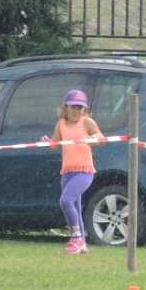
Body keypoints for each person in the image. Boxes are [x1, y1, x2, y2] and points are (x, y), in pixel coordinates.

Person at [43, 89, 103, 254]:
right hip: (67, 172)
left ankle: (75, 237)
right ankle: (82, 243)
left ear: (84, 109)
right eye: (73, 107)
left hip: (84, 172)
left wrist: (93, 138)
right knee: (74, 205)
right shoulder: (61, 123)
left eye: (80, 107)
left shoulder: (87, 123)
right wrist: (48, 142)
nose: (77, 110)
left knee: (65, 201)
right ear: (66, 108)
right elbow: (55, 145)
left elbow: (101, 139)